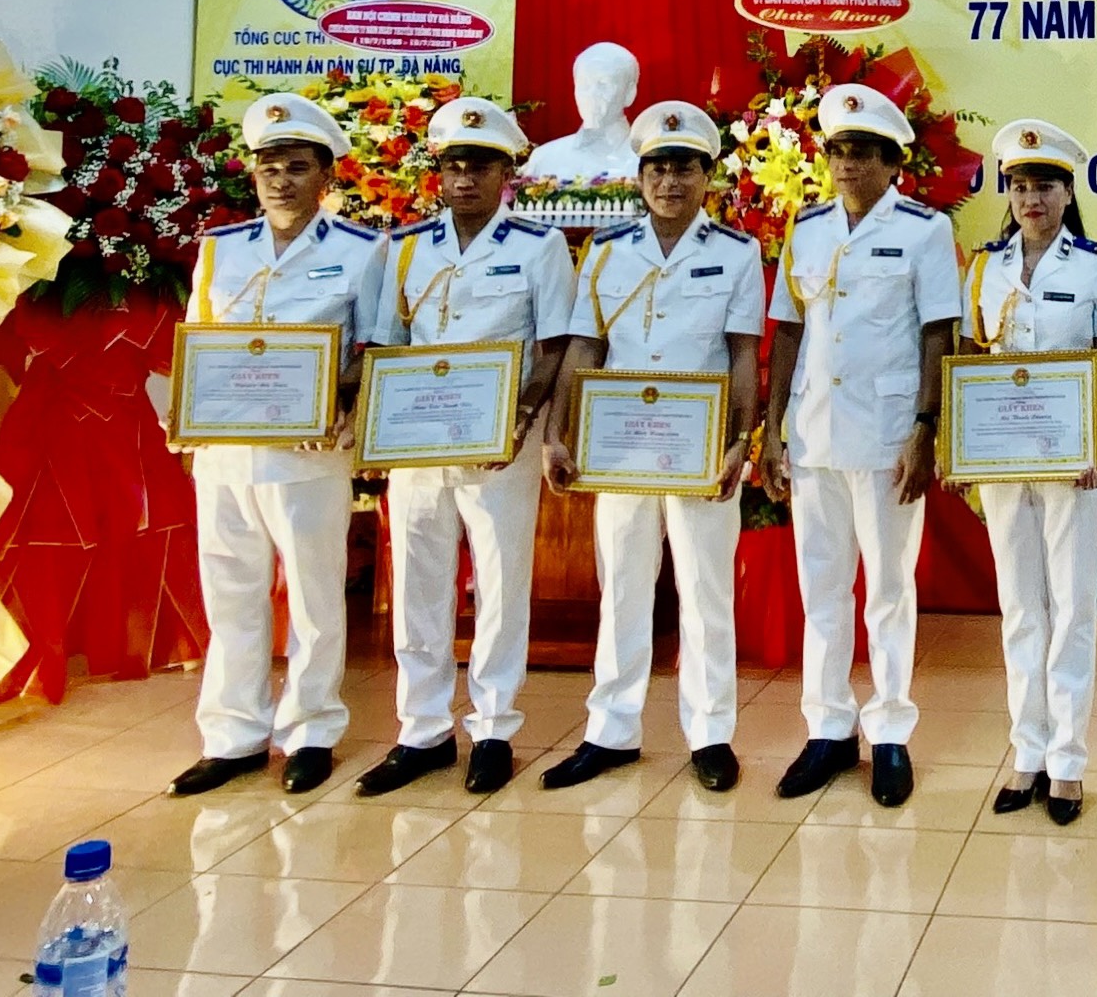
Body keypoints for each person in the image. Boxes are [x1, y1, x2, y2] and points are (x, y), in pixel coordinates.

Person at [355, 96, 577, 797]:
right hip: (419, 443)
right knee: (417, 582)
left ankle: (493, 729)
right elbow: (385, 345)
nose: (465, 178)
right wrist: (375, 430)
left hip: (500, 444)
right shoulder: (405, 247)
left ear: (506, 173)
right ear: (439, 172)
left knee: (501, 585)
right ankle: (421, 730)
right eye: (453, 164)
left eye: (480, 165)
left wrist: (522, 418)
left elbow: (555, 346)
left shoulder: (539, 247)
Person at [540, 100, 764, 793]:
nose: (670, 181)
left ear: (707, 177)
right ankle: (611, 730)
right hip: (618, 449)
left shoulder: (736, 253)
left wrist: (741, 440)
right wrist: (557, 432)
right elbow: (585, 347)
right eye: (658, 169)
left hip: (701, 451)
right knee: (622, 589)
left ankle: (711, 734)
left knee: (706, 590)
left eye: (685, 168)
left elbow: (742, 355)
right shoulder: (607, 251)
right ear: (639, 178)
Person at [169, 95, 386, 798]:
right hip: (225, 452)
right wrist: (189, 420)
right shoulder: (221, 248)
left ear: (326, 176)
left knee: (315, 596)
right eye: (269, 167)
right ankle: (232, 736)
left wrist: (341, 399)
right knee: (230, 593)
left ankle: (311, 730)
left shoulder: (362, 250)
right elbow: (199, 341)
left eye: (297, 167)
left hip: (307, 453)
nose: (281, 180)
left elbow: (374, 349)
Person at [759, 83, 962, 807]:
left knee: (889, 590)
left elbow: (939, 332)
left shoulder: (924, 231)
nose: (847, 163)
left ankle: (891, 731)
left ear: (892, 162)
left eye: (863, 152)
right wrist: (773, 426)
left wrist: (927, 427)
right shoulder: (808, 227)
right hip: (814, 432)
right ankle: (828, 727)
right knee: (821, 588)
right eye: (838, 150)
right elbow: (788, 329)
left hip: (887, 435)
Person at [962, 119, 1097, 825]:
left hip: (1073, 467)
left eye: (1046, 186)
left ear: (1068, 193)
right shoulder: (985, 268)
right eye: (1020, 186)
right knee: (1020, 607)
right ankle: (1026, 752)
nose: (1032, 198)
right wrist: (964, 451)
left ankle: (1067, 762)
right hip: (1005, 465)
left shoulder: (1095, 268)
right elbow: (972, 362)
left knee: (1071, 607)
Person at [524, 41, 642, 184]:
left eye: (603, 84)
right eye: (584, 84)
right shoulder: (545, 159)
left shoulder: (648, 160)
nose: (591, 95)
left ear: (630, 93)